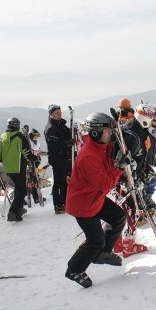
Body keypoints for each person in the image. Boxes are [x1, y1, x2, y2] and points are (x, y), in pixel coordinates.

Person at [65, 113, 126, 288]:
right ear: (95, 133)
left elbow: (107, 163)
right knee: (95, 241)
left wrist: (118, 158)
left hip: (93, 199)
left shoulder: (99, 147)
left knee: (118, 217)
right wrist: (119, 168)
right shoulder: (88, 156)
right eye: (107, 132)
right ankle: (74, 270)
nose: (109, 136)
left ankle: (102, 253)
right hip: (83, 205)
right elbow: (105, 184)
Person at [0, 117, 34, 222]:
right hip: (19, 166)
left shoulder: (2, 137)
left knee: (18, 187)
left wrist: (5, 160)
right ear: (17, 126)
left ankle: (18, 209)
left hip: (8, 168)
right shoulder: (19, 137)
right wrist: (33, 158)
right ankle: (13, 212)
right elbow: (26, 151)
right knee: (22, 190)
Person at [44, 104, 73, 214]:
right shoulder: (50, 128)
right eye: (57, 113)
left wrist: (71, 132)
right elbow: (54, 146)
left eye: (60, 113)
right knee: (59, 182)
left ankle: (65, 201)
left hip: (64, 157)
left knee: (65, 180)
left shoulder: (60, 124)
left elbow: (66, 134)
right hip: (57, 159)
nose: (59, 115)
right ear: (51, 114)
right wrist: (67, 144)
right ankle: (58, 204)